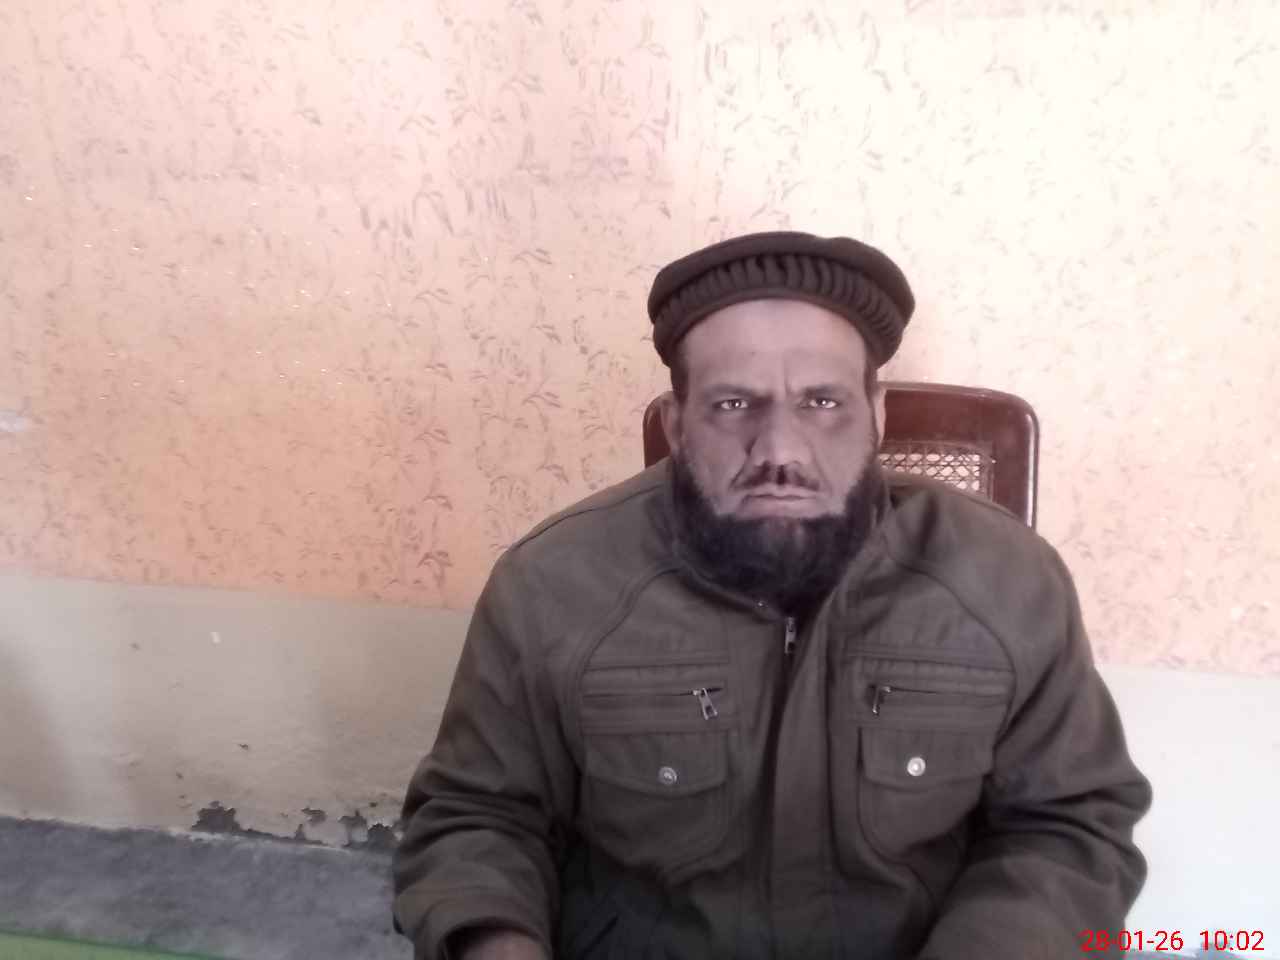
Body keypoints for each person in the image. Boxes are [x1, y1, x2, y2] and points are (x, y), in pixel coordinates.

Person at [392, 231, 1152, 959]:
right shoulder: (553, 584)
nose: (781, 451)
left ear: (877, 416)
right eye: (733, 404)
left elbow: (1068, 828)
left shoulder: (1006, 581)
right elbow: (478, 818)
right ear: (676, 426)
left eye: (822, 402)